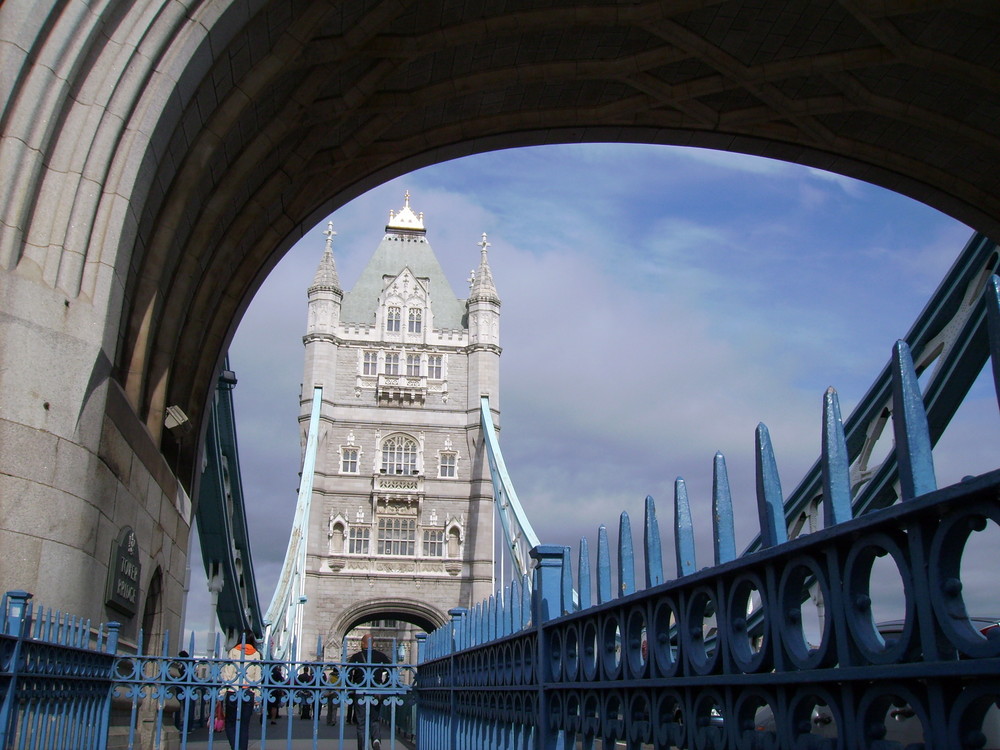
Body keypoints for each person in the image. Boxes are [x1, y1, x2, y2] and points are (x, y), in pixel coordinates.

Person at [219, 630, 262, 750]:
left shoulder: (233, 652)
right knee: (244, 725)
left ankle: (235, 747)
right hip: (248, 692)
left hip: (233, 691)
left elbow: (228, 674)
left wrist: (222, 693)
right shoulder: (256, 654)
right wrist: (257, 695)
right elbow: (257, 677)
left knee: (230, 723)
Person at [347, 634, 391, 750]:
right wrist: (384, 686)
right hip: (376, 690)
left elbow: (347, 674)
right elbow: (391, 673)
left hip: (360, 690)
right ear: (374, 644)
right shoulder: (381, 656)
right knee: (374, 719)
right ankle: (376, 739)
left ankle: (362, 746)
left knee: (361, 723)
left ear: (362, 644)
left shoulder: (356, 657)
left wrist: (350, 688)